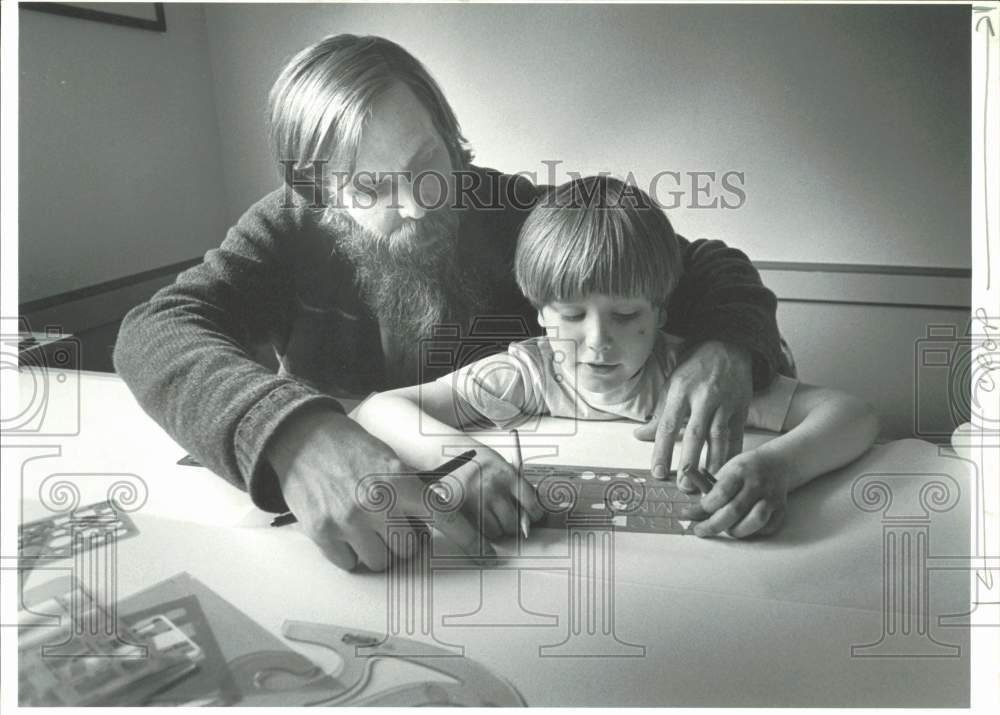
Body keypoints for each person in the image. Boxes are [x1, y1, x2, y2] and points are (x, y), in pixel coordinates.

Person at [114, 34, 788, 570]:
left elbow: (705, 263)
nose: (414, 204)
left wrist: (726, 343)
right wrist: (294, 434)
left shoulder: (513, 211)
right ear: (317, 191)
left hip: (517, 542)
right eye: (370, 189)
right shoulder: (283, 229)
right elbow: (156, 329)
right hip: (335, 542)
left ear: (450, 134)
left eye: (426, 164)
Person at [355, 177, 879, 538]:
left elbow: (852, 414)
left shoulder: (688, 380)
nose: (598, 341)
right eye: (571, 315)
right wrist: (462, 461)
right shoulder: (528, 374)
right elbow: (377, 409)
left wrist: (780, 466)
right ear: (538, 311)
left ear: (661, 309)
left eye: (626, 316)